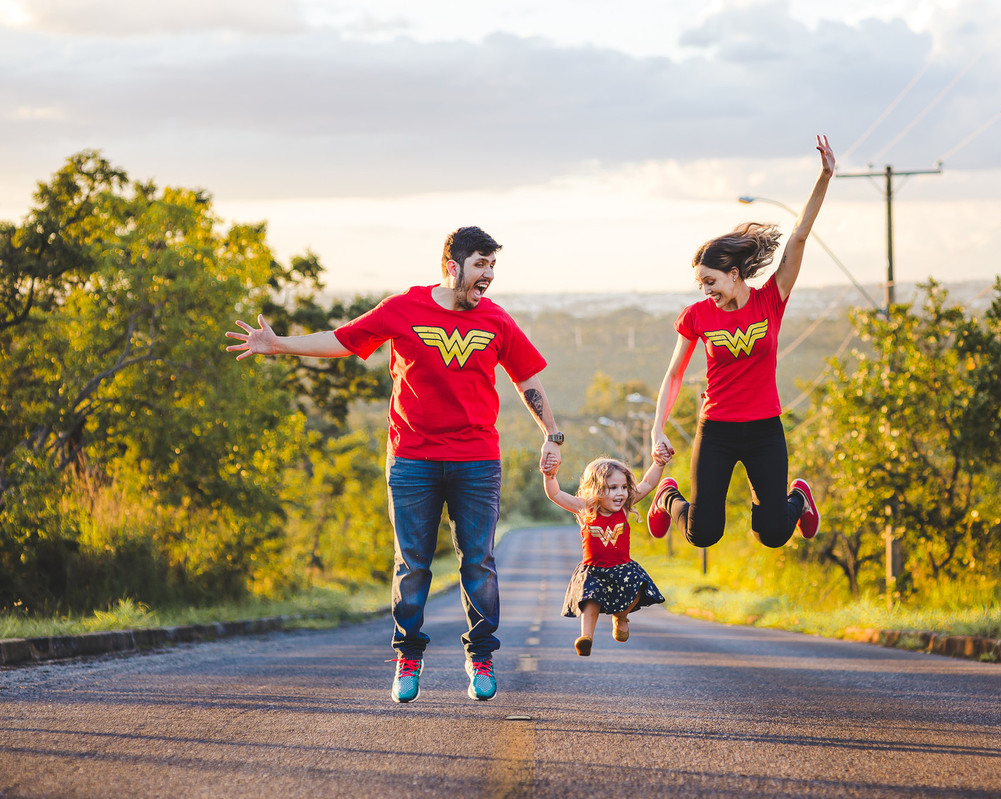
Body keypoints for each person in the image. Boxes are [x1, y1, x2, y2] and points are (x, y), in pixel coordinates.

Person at [225, 226, 564, 704]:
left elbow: (527, 379)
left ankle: (481, 654)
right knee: (413, 565)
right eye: (480, 265)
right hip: (412, 460)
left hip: (476, 460)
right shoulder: (403, 309)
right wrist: (279, 345)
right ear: (453, 266)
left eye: (493, 266)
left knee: (480, 563)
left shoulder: (496, 320)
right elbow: (343, 340)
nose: (488, 275)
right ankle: (408, 656)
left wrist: (551, 433)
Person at [647, 136, 835, 549]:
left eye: (710, 281)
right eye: (700, 284)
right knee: (702, 533)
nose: (706, 290)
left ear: (733, 273)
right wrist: (656, 429)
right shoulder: (698, 316)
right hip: (716, 429)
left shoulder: (771, 298)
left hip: (765, 430)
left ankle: (799, 498)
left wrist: (824, 176)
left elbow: (799, 237)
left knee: (771, 532)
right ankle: (667, 498)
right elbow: (674, 374)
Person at [542, 454, 668, 656]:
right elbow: (555, 494)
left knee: (638, 589)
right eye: (612, 488)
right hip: (594, 570)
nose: (621, 493)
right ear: (596, 489)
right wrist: (550, 475)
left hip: (622, 568)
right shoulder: (585, 509)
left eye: (624, 487)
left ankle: (621, 616)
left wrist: (659, 463)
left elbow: (647, 484)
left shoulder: (624, 509)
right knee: (590, 600)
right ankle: (586, 638)